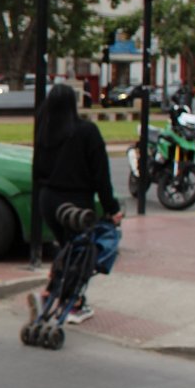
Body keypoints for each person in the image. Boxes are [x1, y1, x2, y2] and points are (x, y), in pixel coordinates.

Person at [29, 84, 124, 324]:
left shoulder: (44, 132)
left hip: (48, 200)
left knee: (67, 249)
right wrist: (111, 208)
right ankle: (72, 303)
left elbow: (37, 170)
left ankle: (50, 292)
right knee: (82, 254)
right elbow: (101, 175)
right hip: (76, 204)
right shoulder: (87, 132)